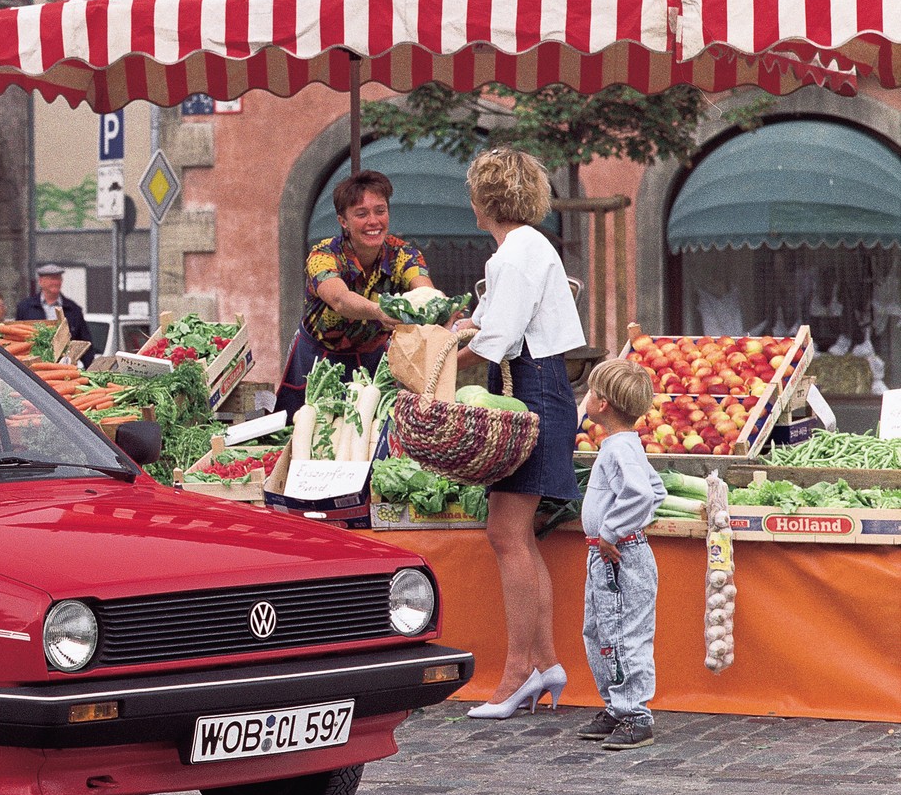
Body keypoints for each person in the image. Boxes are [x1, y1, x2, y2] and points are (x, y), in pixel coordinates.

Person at [451, 149, 586, 719]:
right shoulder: (529, 246)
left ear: (485, 199)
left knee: (505, 532)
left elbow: (497, 340)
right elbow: (501, 321)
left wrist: (435, 363)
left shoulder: (513, 255)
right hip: (541, 384)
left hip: (528, 387)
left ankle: (518, 672)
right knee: (519, 535)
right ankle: (544, 662)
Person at [275, 169, 435, 416]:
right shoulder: (323, 255)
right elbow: (339, 299)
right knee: (306, 429)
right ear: (343, 221)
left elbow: (423, 288)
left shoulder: (404, 255)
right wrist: (379, 311)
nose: (373, 221)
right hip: (317, 359)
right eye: (361, 214)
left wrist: (435, 305)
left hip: (373, 360)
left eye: (380, 211)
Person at [576, 358, 666, 751]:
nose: (586, 398)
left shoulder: (618, 450)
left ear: (604, 403)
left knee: (622, 634)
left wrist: (612, 530)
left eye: (591, 392)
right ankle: (617, 703)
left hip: (618, 558)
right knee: (599, 630)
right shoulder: (623, 446)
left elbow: (643, 494)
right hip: (608, 556)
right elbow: (657, 490)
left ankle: (635, 713)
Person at [15, 263, 94, 364]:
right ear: (41, 281)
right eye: (52, 279)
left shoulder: (73, 309)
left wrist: (89, 369)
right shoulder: (26, 308)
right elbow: (18, 340)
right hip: (33, 365)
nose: (56, 282)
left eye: (58, 279)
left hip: (64, 367)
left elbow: (85, 341)